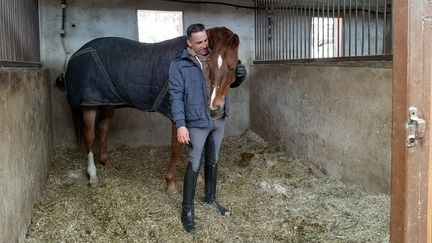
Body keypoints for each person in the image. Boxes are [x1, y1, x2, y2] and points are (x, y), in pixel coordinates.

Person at [168, 23, 246, 233]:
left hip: (218, 119)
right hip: (197, 121)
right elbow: (175, 97)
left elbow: (227, 80)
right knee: (194, 161)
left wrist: (240, 74)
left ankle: (210, 198)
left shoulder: (215, 56)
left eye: (206, 41)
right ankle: (187, 209)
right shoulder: (179, 64)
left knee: (214, 159)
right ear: (189, 43)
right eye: (199, 42)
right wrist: (181, 125)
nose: (204, 45)